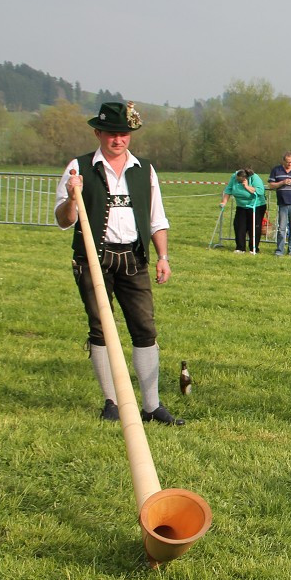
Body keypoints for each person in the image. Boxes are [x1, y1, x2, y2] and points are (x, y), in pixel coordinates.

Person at [54, 101, 184, 425]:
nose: (118, 140)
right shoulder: (78, 167)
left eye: (124, 134)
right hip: (93, 258)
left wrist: (163, 257)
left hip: (133, 257)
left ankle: (151, 406)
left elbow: (157, 219)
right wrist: (73, 198)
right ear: (98, 133)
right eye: (112, 134)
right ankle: (111, 403)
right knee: (101, 329)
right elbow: (63, 220)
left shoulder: (145, 170)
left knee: (145, 329)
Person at [219, 168, 266, 253]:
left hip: (256, 206)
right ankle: (240, 248)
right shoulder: (234, 176)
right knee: (239, 226)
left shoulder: (255, 178)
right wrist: (224, 202)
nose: (237, 181)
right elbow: (228, 189)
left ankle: (254, 248)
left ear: (245, 178)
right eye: (237, 179)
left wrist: (247, 187)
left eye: (239, 180)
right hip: (241, 206)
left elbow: (260, 191)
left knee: (254, 227)